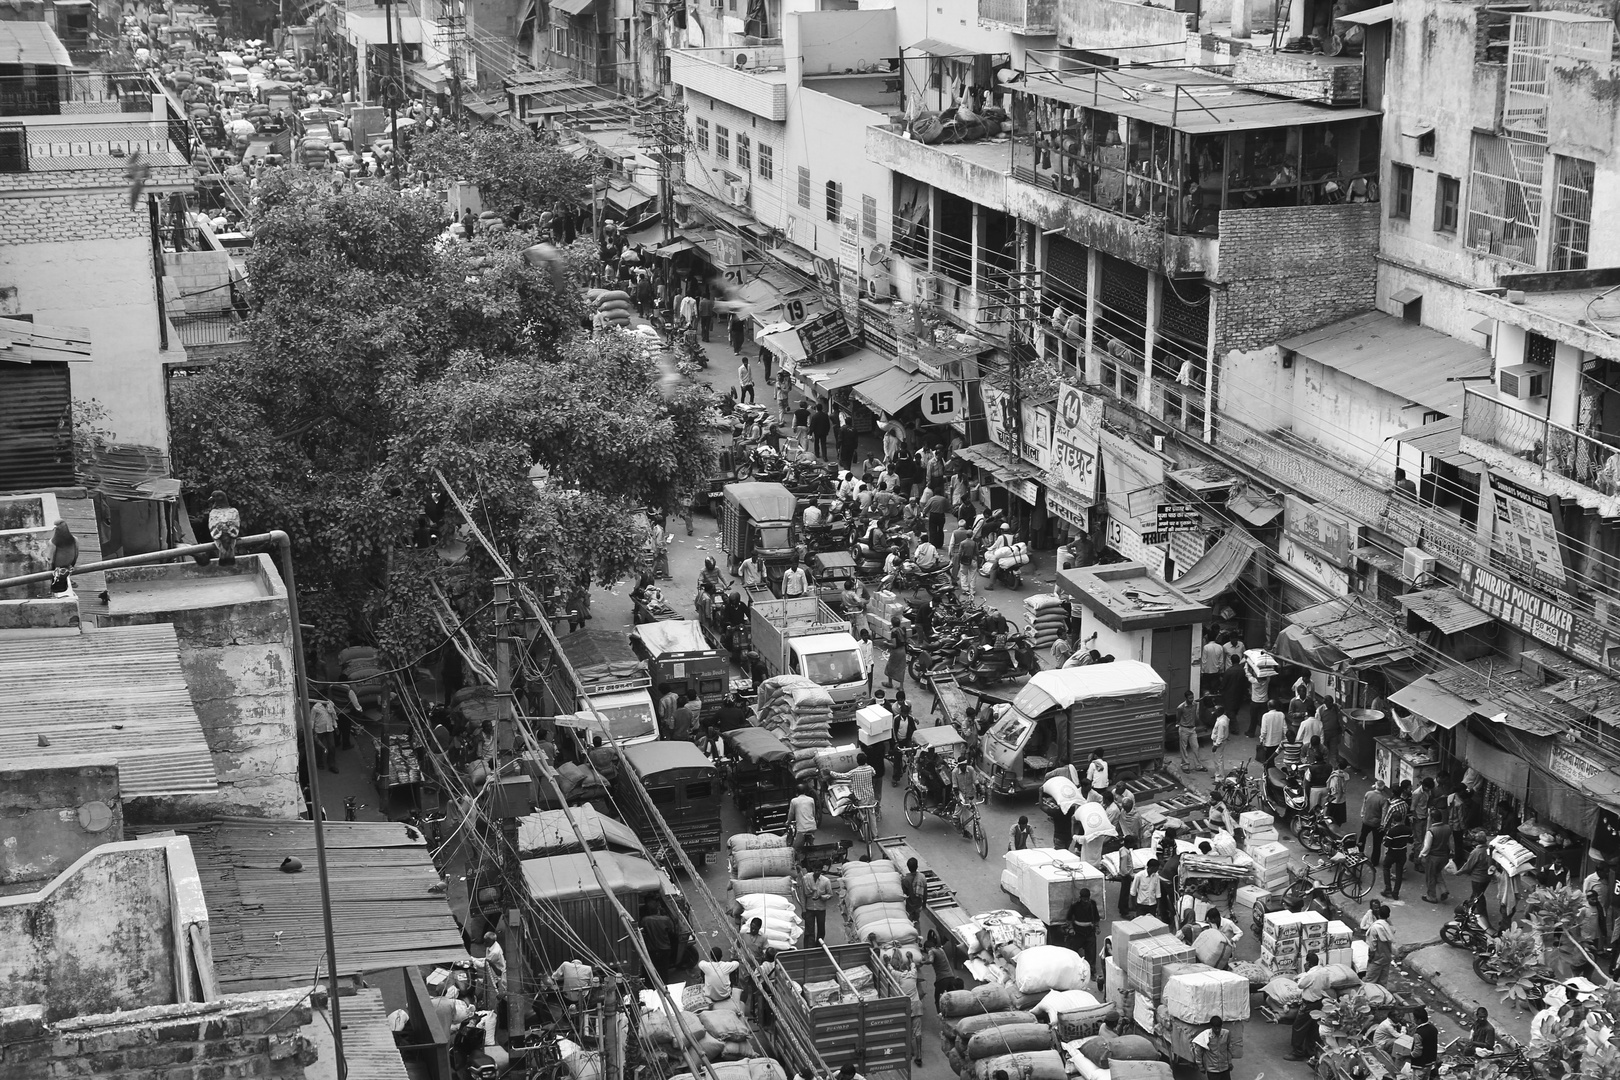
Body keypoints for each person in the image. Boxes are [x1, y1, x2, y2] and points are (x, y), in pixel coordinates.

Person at [1287, 951, 1334, 1060]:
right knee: (1313, 1028)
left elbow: (1300, 985)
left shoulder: (1310, 974)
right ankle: (1311, 1050)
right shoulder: (1324, 971)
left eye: (1307, 963)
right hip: (1319, 1002)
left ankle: (1297, 1053)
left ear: (1310, 964)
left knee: (1298, 1027)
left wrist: (1304, 974)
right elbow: (1327, 985)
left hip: (1309, 1004)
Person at [1420, 807, 1453, 903]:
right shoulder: (1447, 828)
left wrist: (1421, 855)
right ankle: (1444, 890)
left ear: (1433, 819)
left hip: (1433, 857)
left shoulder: (1431, 831)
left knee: (1430, 877)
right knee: (1438, 873)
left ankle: (1431, 896)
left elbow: (1427, 847)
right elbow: (1451, 842)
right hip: (1444, 856)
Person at [1383, 804, 1414, 900]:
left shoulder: (1392, 831)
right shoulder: (1408, 830)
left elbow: (1386, 844)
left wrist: (1385, 839)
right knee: (1399, 872)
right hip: (1402, 853)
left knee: (1386, 867)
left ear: (1393, 820)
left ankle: (1388, 888)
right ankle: (1395, 892)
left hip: (1392, 853)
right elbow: (1411, 841)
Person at [1193, 1014, 1233, 1080]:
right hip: (1212, 1070)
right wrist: (1200, 1066)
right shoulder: (1205, 1036)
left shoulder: (1226, 1034)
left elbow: (1228, 1048)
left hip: (1225, 1068)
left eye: (1219, 1028)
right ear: (1211, 1027)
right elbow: (1198, 1052)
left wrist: (1230, 1062)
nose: (1217, 1030)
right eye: (1215, 1028)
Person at [642, 901, 677, 976]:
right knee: (664, 971)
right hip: (665, 949)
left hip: (652, 950)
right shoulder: (665, 919)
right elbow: (671, 931)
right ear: (658, 909)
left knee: (654, 970)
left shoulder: (644, 920)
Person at [802, 863, 834, 944]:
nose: (817, 872)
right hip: (809, 908)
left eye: (818, 870)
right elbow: (802, 895)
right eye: (815, 870)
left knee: (821, 929)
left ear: (821, 870)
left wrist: (823, 897)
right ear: (813, 870)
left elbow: (830, 894)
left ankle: (819, 945)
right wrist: (803, 909)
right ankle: (809, 948)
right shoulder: (806, 878)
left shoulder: (826, 881)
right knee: (809, 930)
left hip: (821, 908)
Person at [1360, 781, 1389, 865]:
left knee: (1362, 837)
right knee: (1377, 843)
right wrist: (1382, 824)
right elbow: (1384, 813)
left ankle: (1359, 853)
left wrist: (1362, 814)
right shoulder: (1383, 799)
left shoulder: (1368, 794)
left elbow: (1364, 805)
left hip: (1366, 820)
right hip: (1377, 823)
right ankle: (1374, 861)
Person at [1365, 903, 1394, 984]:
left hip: (1376, 958)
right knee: (1383, 981)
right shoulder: (1389, 927)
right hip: (1387, 957)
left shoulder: (1375, 927)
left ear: (1378, 914)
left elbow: (1372, 946)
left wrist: (1370, 959)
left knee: (1370, 981)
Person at [1176, 691, 1205, 772]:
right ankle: (1185, 765)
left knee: (1196, 747)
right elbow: (1178, 718)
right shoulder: (1181, 707)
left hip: (1192, 729)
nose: (1192, 699)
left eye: (1192, 697)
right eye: (1190, 698)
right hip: (1184, 728)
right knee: (1183, 748)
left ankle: (1198, 766)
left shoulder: (1194, 705)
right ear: (1186, 698)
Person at [1408, 1007, 1439, 1076]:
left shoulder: (1418, 1034)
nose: (1413, 1020)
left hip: (1420, 1064)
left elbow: (1417, 1052)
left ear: (1419, 1020)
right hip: (1430, 1062)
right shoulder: (1433, 1028)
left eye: (1414, 1018)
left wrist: (1408, 1056)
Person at [788, 784, 817, 854]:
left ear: (796, 792)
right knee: (810, 843)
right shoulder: (811, 800)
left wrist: (788, 822)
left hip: (802, 828)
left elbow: (791, 813)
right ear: (805, 791)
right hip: (812, 826)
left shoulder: (794, 801)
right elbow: (813, 813)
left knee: (796, 848)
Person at [481, 930, 506, 1009]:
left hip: (497, 974)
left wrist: (472, 960)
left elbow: (484, 964)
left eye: (486, 942)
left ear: (492, 941)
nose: (484, 944)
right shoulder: (491, 945)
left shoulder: (495, 952)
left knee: (498, 992)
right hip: (496, 972)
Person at [1257, 698, 1286, 764]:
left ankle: (1267, 772)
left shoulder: (1265, 716)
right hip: (1278, 741)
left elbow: (1264, 731)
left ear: (1268, 707)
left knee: (1268, 760)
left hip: (1268, 742)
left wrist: (1261, 740)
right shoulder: (1281, 714)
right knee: (1273, 758)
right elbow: (1285, 728)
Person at [885, 616, 908, 690]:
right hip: (903, 650)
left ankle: (889, 683)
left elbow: (894, 644)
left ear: (892, 623)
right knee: (901, 668)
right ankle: (901, 687)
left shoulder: (894, 632)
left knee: (890, 666)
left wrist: (886, 643)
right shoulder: (902, 630)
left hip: (896, 652)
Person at [901, 857, 926, 924]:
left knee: (909, 922)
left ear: (908, 868)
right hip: (918, 905)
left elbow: (904, 894)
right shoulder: (922, 877)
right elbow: (925, 891)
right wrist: (924, 904)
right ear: (917, 866)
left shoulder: (905, 880)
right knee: (917, 920)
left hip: (909, 906)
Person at [1326, 759, 1350, 825]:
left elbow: (1331, 787)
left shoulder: (1334, 775)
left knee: (1330, 816)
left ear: (1338, 765)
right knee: (1339, 818)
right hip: (1342, 798)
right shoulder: (1346, 775)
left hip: (1333, 798)